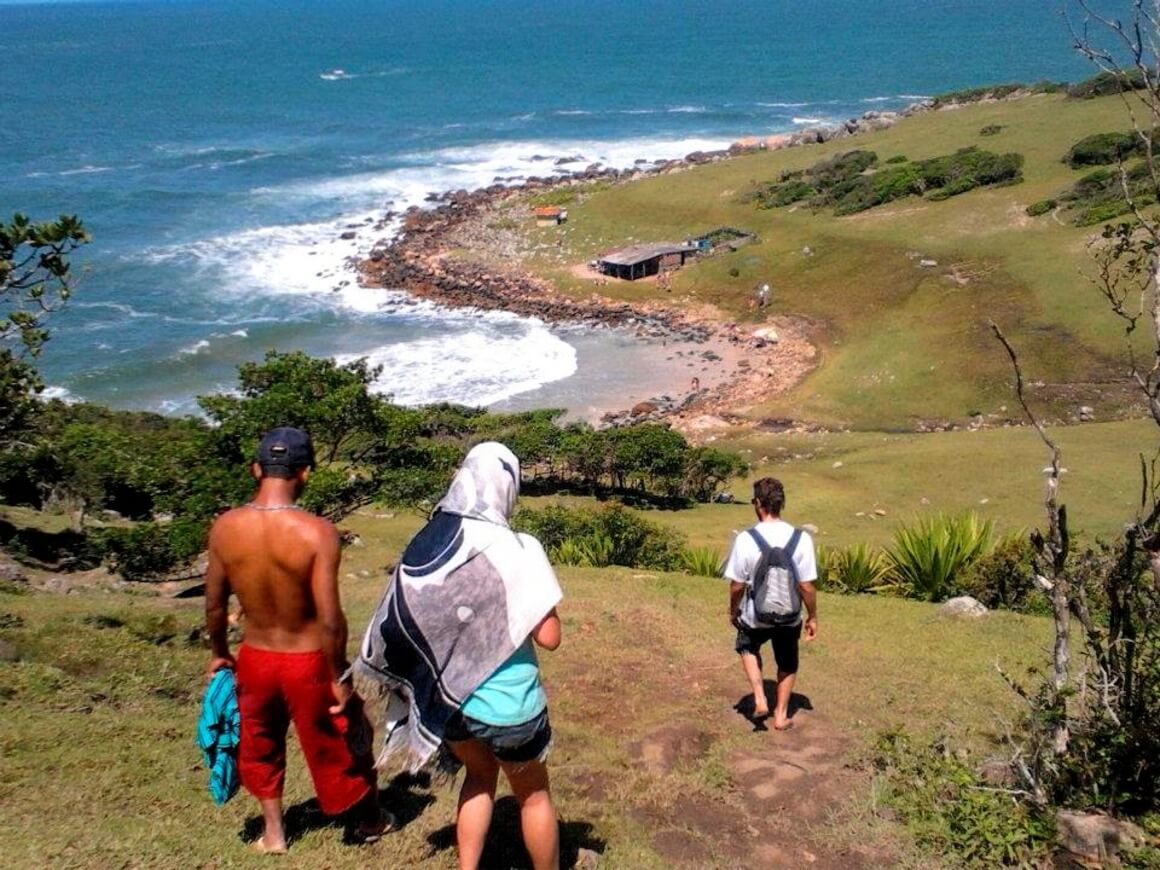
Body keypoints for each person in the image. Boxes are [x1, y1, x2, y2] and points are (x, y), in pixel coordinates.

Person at [356, 441, 563, 870]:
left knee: (479, 775)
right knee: (534, 795)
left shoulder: (430, 542)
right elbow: (550, 637)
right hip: (511, 706)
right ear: (509, 488)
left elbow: (405, 614)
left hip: (448, 703)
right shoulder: (521, 548)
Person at [204, 427, 391, 853]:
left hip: (255, 657)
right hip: (306, 660)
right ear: (304, 473)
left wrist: (219, 653)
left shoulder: (225, 528)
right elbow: (329, 618)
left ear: (255, 469)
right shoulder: (317, 532)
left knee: (259, 741)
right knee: (346, 737)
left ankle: (274, 834)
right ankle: (368, 820)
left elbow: (214, 607)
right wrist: (339, 672)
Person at [723, 477, 818, 731]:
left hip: (756, 614)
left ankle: (760, 697)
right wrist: (812, 616)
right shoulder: (801, 538)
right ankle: (780, 716)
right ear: (781, 503)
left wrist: (734, 610)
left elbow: (737, 584)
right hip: (790, 615)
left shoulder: (746, 539)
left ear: (757, 503)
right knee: (787, 663)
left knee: (747, 646)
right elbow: (807, 585)